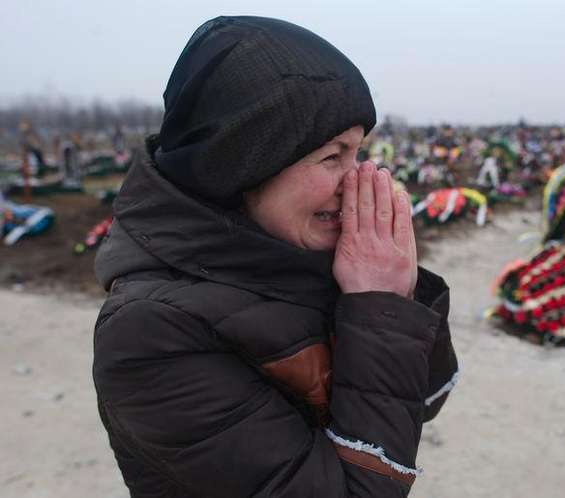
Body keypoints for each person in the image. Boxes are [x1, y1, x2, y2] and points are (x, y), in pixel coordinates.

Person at [92, 16, 457, 497]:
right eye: (333, 156)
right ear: (242, 165)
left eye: (358, 153)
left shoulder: (296, 256)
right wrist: (379, 305)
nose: (357, 181)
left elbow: (424, 396)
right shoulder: (149, 333)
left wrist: (398, 295)